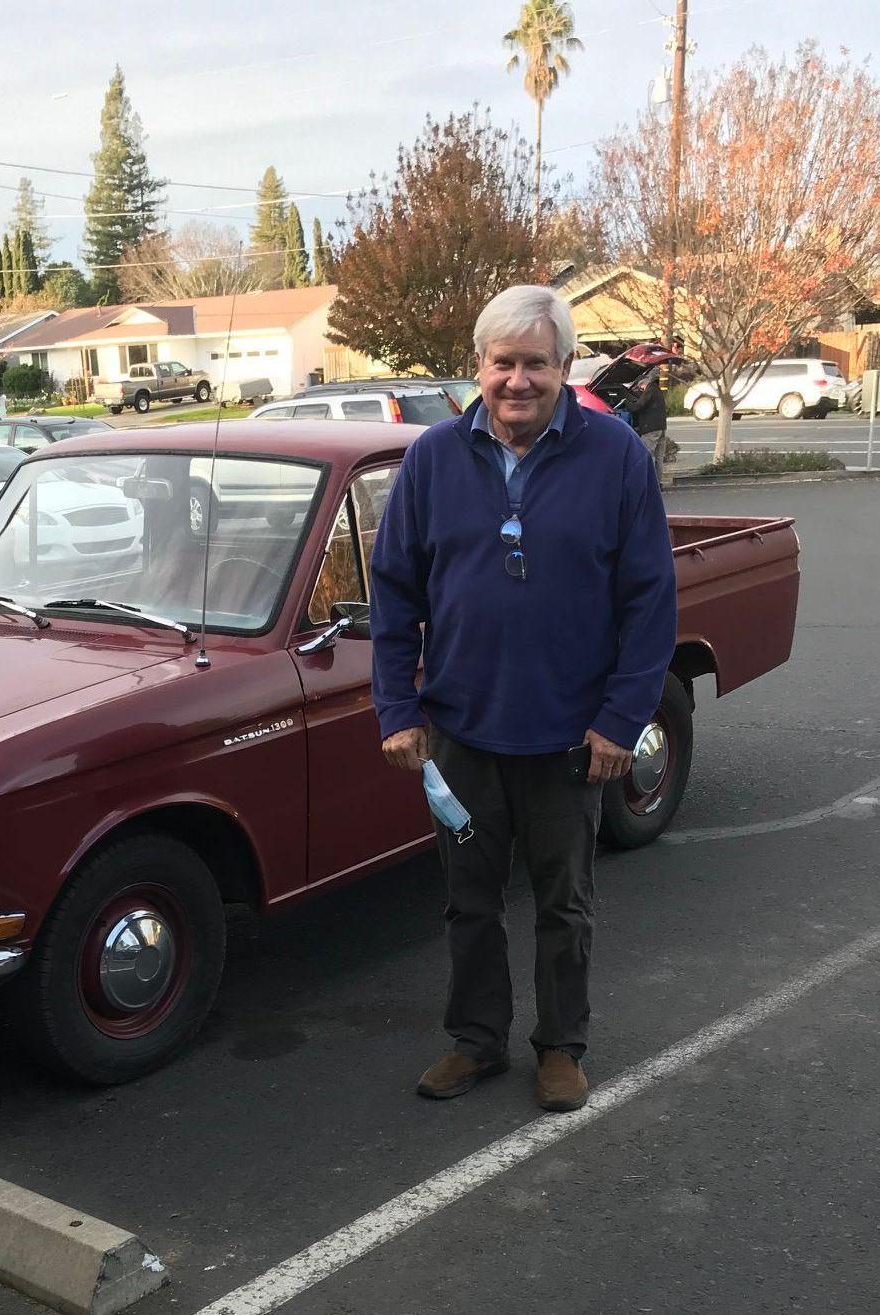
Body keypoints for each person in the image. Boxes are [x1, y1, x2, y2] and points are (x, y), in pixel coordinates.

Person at [370, 285, 677, 1113]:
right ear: (479, 365)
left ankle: (561, 1046)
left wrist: (621, 719)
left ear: (565, 365)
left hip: (570, 738)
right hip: (462, 735)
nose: (517, 380)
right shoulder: (433, 459)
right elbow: (394, 591)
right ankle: (477, 1040)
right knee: (468, 901)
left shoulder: (615, 456)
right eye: (502, 362)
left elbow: (650, 600)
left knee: (563, 904)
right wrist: (397, 708)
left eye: (536, 363)